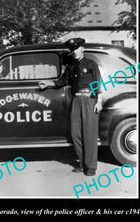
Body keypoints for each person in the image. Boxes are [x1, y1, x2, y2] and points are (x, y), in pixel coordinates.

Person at [39, 38, 103, 176]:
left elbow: (98, 83)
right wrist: (48, 84)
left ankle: (91, 167)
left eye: (77, 49)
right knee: (75, 134)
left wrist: (99, 101)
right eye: (72, 50)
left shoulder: (91, 64)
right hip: (76, 100)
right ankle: (82, 162)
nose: (75, 52)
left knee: (89, 134)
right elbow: (63, 81)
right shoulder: (71, 67)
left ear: (82, 49)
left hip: (89, 100)